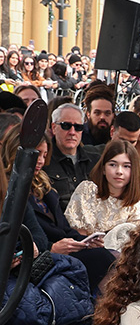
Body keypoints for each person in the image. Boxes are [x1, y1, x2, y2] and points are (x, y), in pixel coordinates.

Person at [1, 127, 115, 296]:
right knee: (105, 259)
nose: (40, 160)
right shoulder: (12, 191)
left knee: (111, 255)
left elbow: (60, 228)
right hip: (38, 261)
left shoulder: (42, 184)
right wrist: (52, 248)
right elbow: (33, 238)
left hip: (55, 250)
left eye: (44, 155)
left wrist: (85, 241)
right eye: (37, 154)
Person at [65, 138, 140, 247]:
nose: (119, 172)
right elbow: (77, 233)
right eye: (113, 165)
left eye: (126, 166)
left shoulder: (135, 206)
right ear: (103, 169)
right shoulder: (87, 190)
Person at [44, 103, 102, 210]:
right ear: (54, 127)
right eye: (66, 126)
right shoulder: (43, 162)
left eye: (78, 127)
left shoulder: (96, 161)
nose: (72, 132)